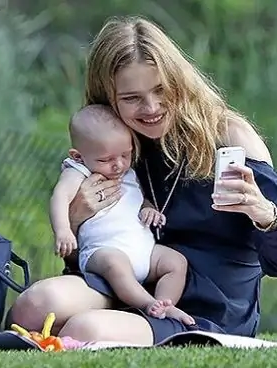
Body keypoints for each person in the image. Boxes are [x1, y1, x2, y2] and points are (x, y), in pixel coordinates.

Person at [9, 15, 277, 345]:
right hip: (129, 282)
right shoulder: (116, 147)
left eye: (161, 90)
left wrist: (264, 214)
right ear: (108, 99)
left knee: (84, 330)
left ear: (179, 81)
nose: (151, 107)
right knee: (34, 306)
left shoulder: (229, 135)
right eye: (131, 98)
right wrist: (77, 219)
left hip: (206, 306)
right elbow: (87, 251)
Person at [48, 104, 194, 324]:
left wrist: (148, 209)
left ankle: (166, 304)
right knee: (116, 266)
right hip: (103, 251)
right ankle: (147, 305)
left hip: (144, 251)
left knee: (176, 262)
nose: (118, 165)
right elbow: (59, 197)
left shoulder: (128, 171)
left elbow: (136, 197)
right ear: (78, 156)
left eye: (125, 155)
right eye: (105, 160)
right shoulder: (78, 171)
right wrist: (63, 230)